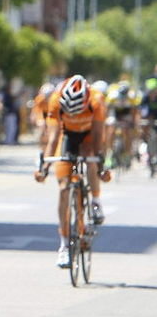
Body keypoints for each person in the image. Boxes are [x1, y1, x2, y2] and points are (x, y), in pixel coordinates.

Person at [34, 75, 109, 268]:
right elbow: (52, 139)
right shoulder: (55, 101)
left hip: (88, 136)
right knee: (64, 188)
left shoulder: (96, 100)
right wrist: (44, 168)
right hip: (67, 136)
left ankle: (96, 201)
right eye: (71, 113)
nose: (75, 116)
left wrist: (101, 165)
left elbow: (99, 136)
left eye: (78, 112)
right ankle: (64, 246)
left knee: (91, 157)